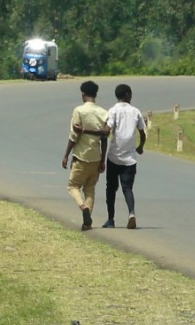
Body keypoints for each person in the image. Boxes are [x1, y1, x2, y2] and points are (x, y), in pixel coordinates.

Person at [63, 81, 110, 232]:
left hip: (81, 157)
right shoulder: (104, 113)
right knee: (90, 189)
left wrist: (66, 155)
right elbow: (104, 138)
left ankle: (83, 207)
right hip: (96, 158)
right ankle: (87, 220)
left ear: (83, 94)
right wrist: (102, 159)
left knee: (73, 186)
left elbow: (73, 136)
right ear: (95, 94)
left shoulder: (79, 111)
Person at [103, 83, 148, 229]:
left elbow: (107, 130)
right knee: (127, 188)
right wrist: (140, 147)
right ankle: (131, 213)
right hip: (130, 158)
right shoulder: (136, 112)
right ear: (127, 95)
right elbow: (142, 132)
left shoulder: (113, 111)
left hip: (114, 156)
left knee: (111, 188)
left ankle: (110, 219)